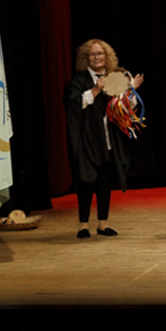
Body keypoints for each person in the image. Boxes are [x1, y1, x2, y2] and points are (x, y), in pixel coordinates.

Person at [63, 38, 144, 239]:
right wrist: (96, 88)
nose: (97, 57)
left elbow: (127, 107)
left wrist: (130, 89)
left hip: (108, 139)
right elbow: (74, 104)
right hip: (87, 140)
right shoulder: (78, 81)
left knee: (105, 182)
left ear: (107, 57)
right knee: (85, 182)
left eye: (100, 54)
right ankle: (83, 225)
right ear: (86, 58)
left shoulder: (114, 79)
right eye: (93, 54)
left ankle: (102, 223)